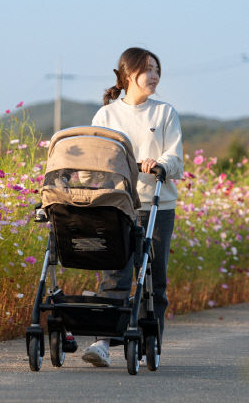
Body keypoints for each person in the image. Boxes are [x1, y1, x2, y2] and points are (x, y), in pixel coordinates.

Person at [82, 47, 183, 367]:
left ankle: (148, 341)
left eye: (157, 69)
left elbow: (176, 159)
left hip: (157, 204)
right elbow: (92, 158)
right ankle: (102, 343)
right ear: (127, 75)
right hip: (117, 204)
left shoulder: (164, 112)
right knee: (115, 274)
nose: (154, 76)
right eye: (147, 69)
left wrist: (160, 164)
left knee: (154, 279)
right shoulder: (106, 116)